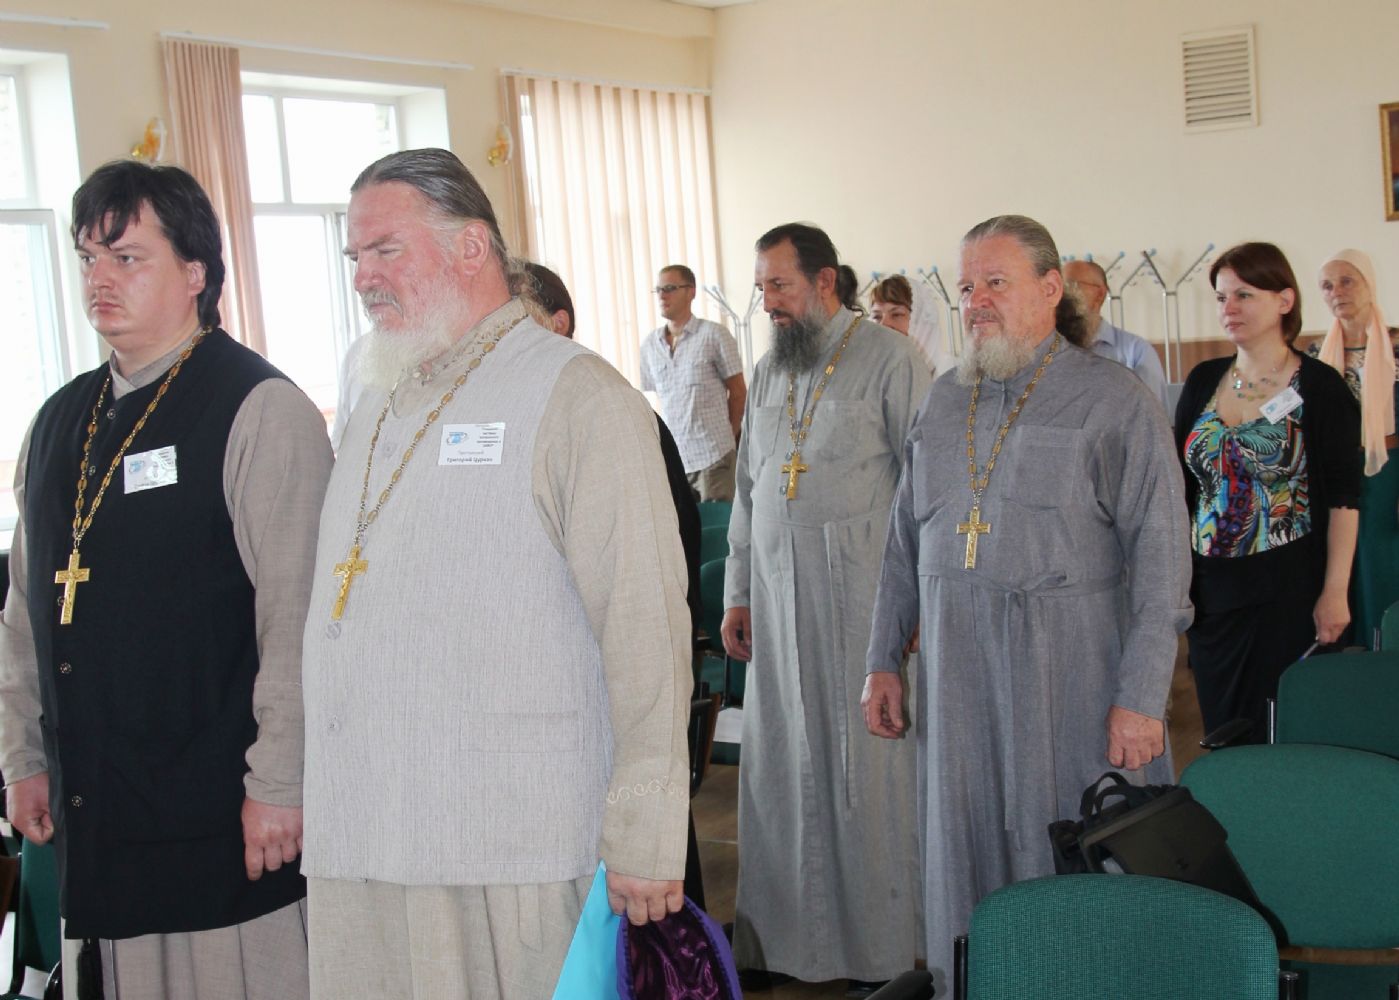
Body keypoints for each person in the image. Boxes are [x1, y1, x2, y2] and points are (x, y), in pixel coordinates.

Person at [299, 149, 692, 999]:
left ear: (472, 246)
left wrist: (648, 833)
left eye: (386, 250)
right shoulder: (376, 399)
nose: (363, 278)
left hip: (513, 842)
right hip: (364, 834)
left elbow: (645, 626)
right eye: (355, 257)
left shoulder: (579, 396)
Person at [0, 160, 332, 998]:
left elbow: (299, 619)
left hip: (221, 810)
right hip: (98, 806)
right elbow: (23, 611)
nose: (99, 280)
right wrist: (21, 757)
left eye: (127, 258)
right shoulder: (58, 421)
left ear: (195, 273)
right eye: (88, 258)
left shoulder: (259, 409)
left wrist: (281, 782)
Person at [861, 214, 1191, 990]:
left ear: (1050, 290)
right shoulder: (941, 401)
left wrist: (1142, 696)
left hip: (1073, 676)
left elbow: (1161, 557)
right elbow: (902, 542)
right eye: (965, 287)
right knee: (965, 855)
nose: (975, 301)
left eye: (995, 283)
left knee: (1074, 860)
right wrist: (881, 658)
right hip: (957, 682)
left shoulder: (1113, 399)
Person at [721, 222, 928, 994]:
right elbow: (748, 489)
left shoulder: (891, 360)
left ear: (825, 282)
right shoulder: (769, 370)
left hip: (860, 608)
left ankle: (880, 953)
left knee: (863, 775)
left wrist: (914, 606)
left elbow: (924, 491)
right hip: (777, 605)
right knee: (781, 767)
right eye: (761, 288)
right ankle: (781, 942)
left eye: (779, 285)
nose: (767, 302)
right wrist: (737, 591)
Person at [1176, 242, 1360, 738]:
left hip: (1289, 589)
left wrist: (1335, 591)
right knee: (1222, 730)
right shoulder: (1203, 380)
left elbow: (1344, 499)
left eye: (1244, 295)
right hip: (1212, 593)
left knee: (1285, 732)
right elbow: (1181, 489)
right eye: (1221, 298)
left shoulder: (1319, 386)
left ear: (1284, 300)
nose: (1228, 309)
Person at [1309, 249, 1399, 647]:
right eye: (1327, 285)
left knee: (1381, 559)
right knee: (1342, 563)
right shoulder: (1315, 356)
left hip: (1390, 472)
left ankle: (1387, 647)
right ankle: (1351, 652)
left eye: (1347, 281)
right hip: (1338, 473)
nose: (1336, 292)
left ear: (1368, 284)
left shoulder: (1396, 345)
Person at [640, 264, 747, 502]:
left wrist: (727, 437)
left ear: (691, 291)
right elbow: (660, 400)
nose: (662, 295)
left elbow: (739, 393)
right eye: (658, 290)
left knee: (718, 524)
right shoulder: (649, 346)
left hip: (714, 457)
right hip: (677, 461)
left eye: (670, 288)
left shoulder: (714, 335)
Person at [1062, 259, 1169, 407]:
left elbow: (1153, 414)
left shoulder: (1136, 353)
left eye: (1070, 285)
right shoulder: (1050, 350)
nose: (1062, 295)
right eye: (1059, 286)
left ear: (1099, 294)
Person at [869, 273, 957, 377]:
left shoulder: (951, 375)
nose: (884, 324)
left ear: (922, 322)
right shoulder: (872, 374)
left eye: (896, 314)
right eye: (877, 317)